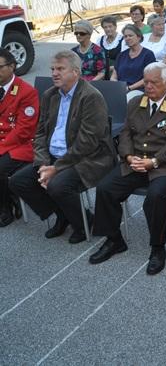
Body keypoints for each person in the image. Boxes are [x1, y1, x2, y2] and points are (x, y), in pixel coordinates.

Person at [89, 62, 166, 274]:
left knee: (155, 197)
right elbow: (126, 133)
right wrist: (129, 156)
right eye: (146, 82)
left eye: (154, 82)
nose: (148, 86)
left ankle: (158, 248)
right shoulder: (136, 102)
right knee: (105, 188)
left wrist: (154, 162)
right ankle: (114, 239)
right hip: (136, 161)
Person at [9, 51, 115, 243]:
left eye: (60, 69)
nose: (54, 73)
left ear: (75, 72)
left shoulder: (91, 97)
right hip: (53, 156)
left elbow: (87, 142)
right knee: (19, 181)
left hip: (87, 158)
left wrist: (56, 168)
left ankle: (83, 223)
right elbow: (40, 133)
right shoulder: (50, 95)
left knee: (58, 186)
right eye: (52, 69)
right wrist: (43, 163)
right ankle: (63, 214)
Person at [0, 49, 38, 227]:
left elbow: (25, 130)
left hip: (21, 145)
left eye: (0, 67)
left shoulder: (26, 92)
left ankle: (5, 209)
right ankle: (11, 195)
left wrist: (1, 147)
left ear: (12, 66)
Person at [112, 24, 157, 97]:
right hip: (120, 89)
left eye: (130, 35)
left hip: (139, 90)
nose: (127, 38)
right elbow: (114, 76)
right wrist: (117, 86)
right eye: (125, 36)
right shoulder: (121, 55)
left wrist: (129, 88)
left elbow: (148, 78)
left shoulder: (148, 54)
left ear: (139, 37)